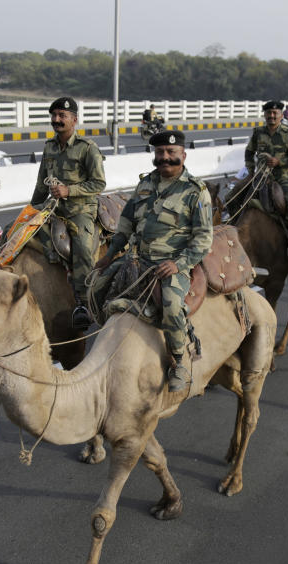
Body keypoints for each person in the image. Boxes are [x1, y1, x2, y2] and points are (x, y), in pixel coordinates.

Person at [92, 130, 213, 392]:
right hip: (137, 258)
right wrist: (109, 256)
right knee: (95, 288)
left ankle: (179, 361)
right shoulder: (145, 184)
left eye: (171, 153)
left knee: (170, 306)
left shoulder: (196, 191)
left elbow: (203, 239)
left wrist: (179, 264)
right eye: (160, 153)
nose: (165, 158)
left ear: (183, 155)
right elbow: (125, 223)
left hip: (170, 264)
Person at [30, 96, 106, 329]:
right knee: (19, 232)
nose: (57, 120)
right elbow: (42, 183)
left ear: (74, 120)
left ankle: (83, 303)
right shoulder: (49, 147)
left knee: (82, 247)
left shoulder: (87, 148)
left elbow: (99, 183)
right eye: (53, 115)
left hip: (80, 210)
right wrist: (31, 208)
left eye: (62, 116)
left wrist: (68, 190)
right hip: (54, 209)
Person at [245, 100, 288, 260]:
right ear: (264, 114)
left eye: (275, 113)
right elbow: (249, 152)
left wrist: (280, 162)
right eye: (269, 113)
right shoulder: (258, 132)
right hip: (261, 177)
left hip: (282, 177)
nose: (271, 116)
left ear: (280, 115)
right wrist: (251, 171)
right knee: (233, 198)